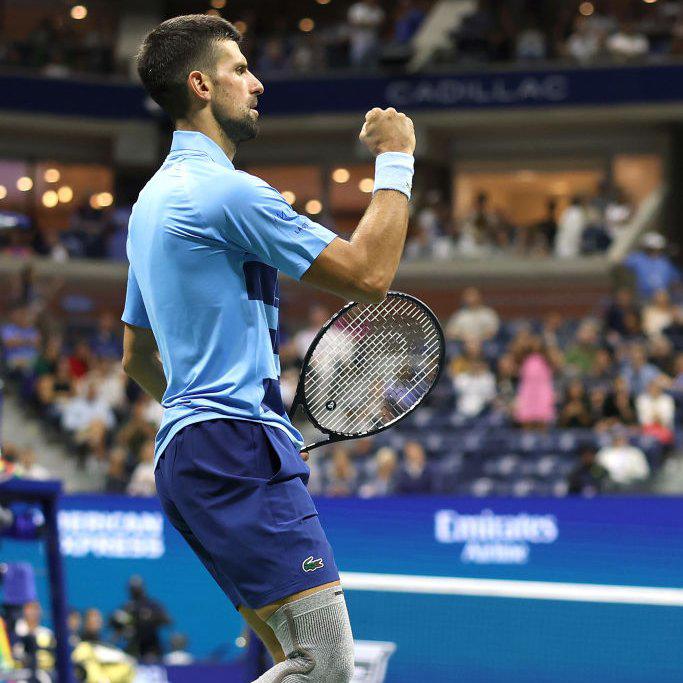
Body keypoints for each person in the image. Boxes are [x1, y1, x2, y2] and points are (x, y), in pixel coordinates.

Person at [124, 14, 415, 682]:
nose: (256, 84)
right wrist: (396, 155)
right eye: (239, 70)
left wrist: (209, 413)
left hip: (190, 454)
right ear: (200, 84)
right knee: (328, 667)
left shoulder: (150, 204)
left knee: (293, 660)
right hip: (232, 448)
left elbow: (136, 357)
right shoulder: (225, 190)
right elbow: (369, 276)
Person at [109, 576, 170, 662]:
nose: (135, 590)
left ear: (142, 588)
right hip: (132, 648)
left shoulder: (151, 605)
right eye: (133, 588)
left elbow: (167, 620)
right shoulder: (127, 607)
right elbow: (113, 621)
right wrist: (123, 620)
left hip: (151, 648)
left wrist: (150, 618)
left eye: (137, 587)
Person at [624, 233, 681, 301]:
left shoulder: (665, 262)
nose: (655, 251)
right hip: (642, 297)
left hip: (662, 298)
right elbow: (622, 264)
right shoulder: (637, 258)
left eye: (657, 249)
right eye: (651, 249)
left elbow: (676, 279)